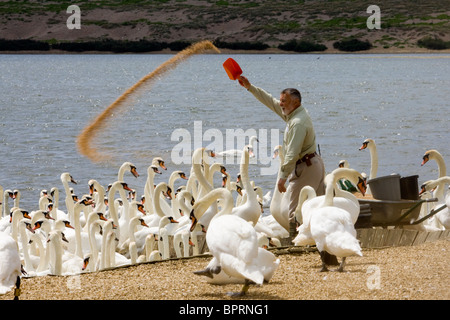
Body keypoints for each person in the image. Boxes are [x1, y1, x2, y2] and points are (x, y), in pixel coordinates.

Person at [237, 75, 326, 235]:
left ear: (295, 102)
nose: (280, 104)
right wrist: (250, 87)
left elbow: (291, 153)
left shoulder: (297, 123)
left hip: (306, 168)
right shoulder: (295, 114)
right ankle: (324, 249)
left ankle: (297, 246)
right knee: (319, 209)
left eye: (284, 101)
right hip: (314, 163)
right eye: (281, 100)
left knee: (294, 212)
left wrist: (283, 177)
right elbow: (270, 102)